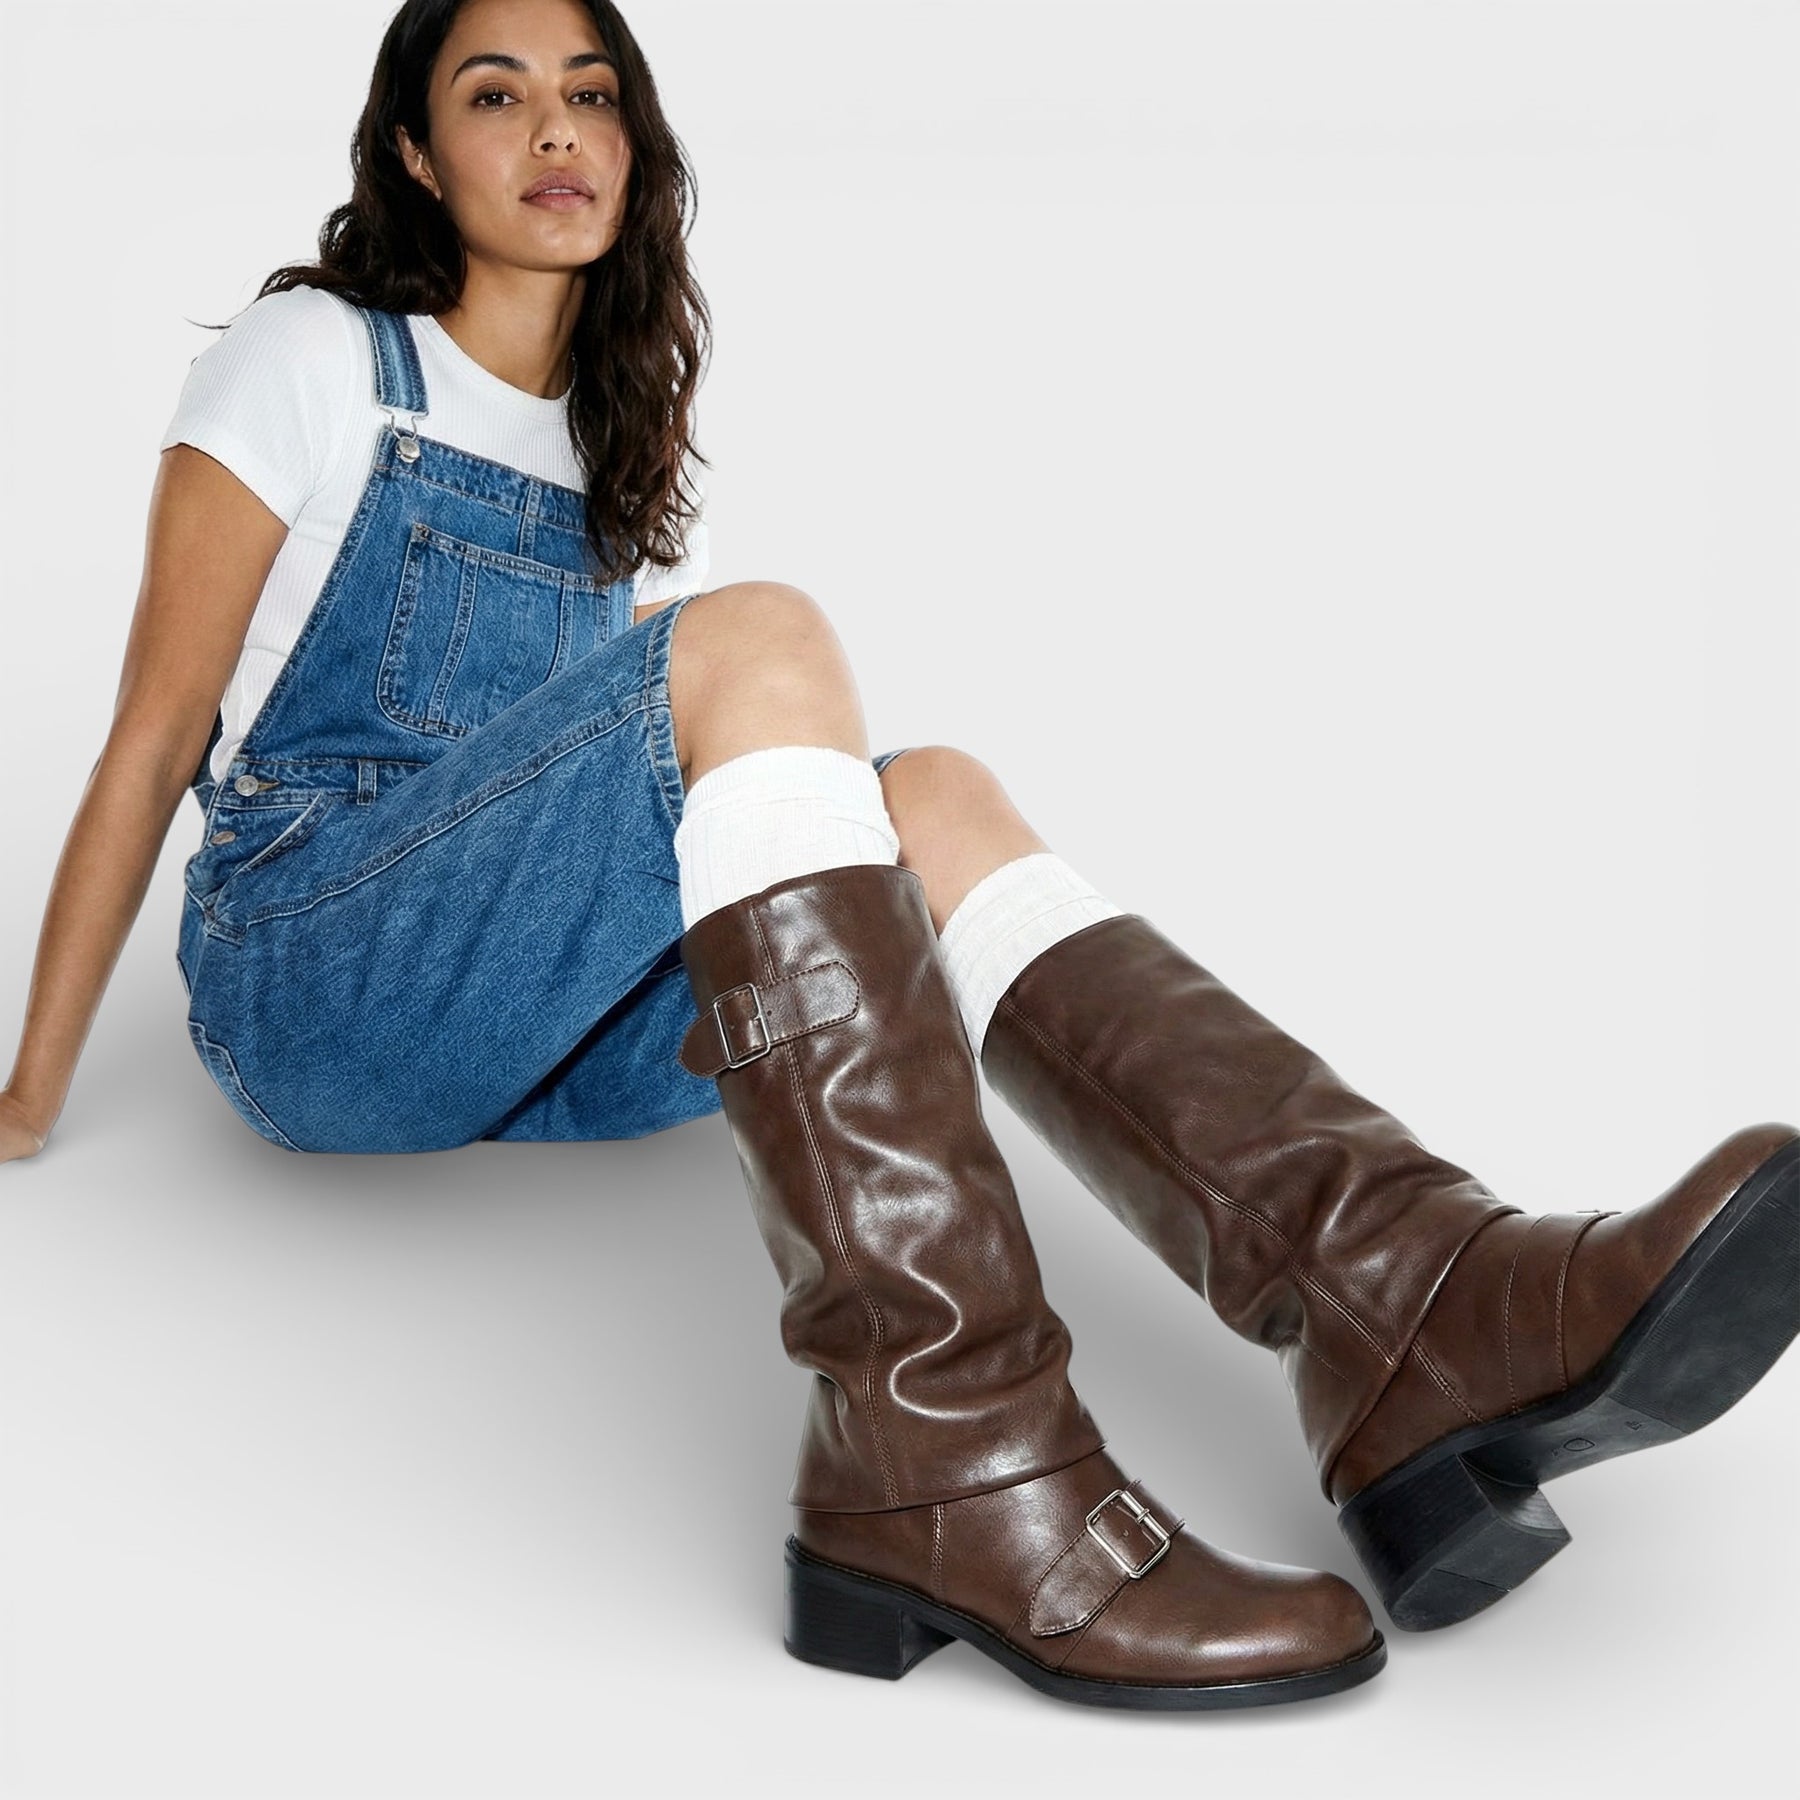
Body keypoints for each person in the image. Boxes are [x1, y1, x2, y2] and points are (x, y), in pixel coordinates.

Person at [1, 0, 1792, 1712]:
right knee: (758, 636)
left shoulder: (615, 451)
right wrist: (25, 1099)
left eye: (593, 91)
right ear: (413, 151)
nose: (556, 128)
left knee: (926, 790)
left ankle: (1401, 1298)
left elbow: (613, 819)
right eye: (495, 93)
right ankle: (951, 1449)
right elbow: (153, 738)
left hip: (532, 1027)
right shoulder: (317, 360)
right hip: (313, 981)